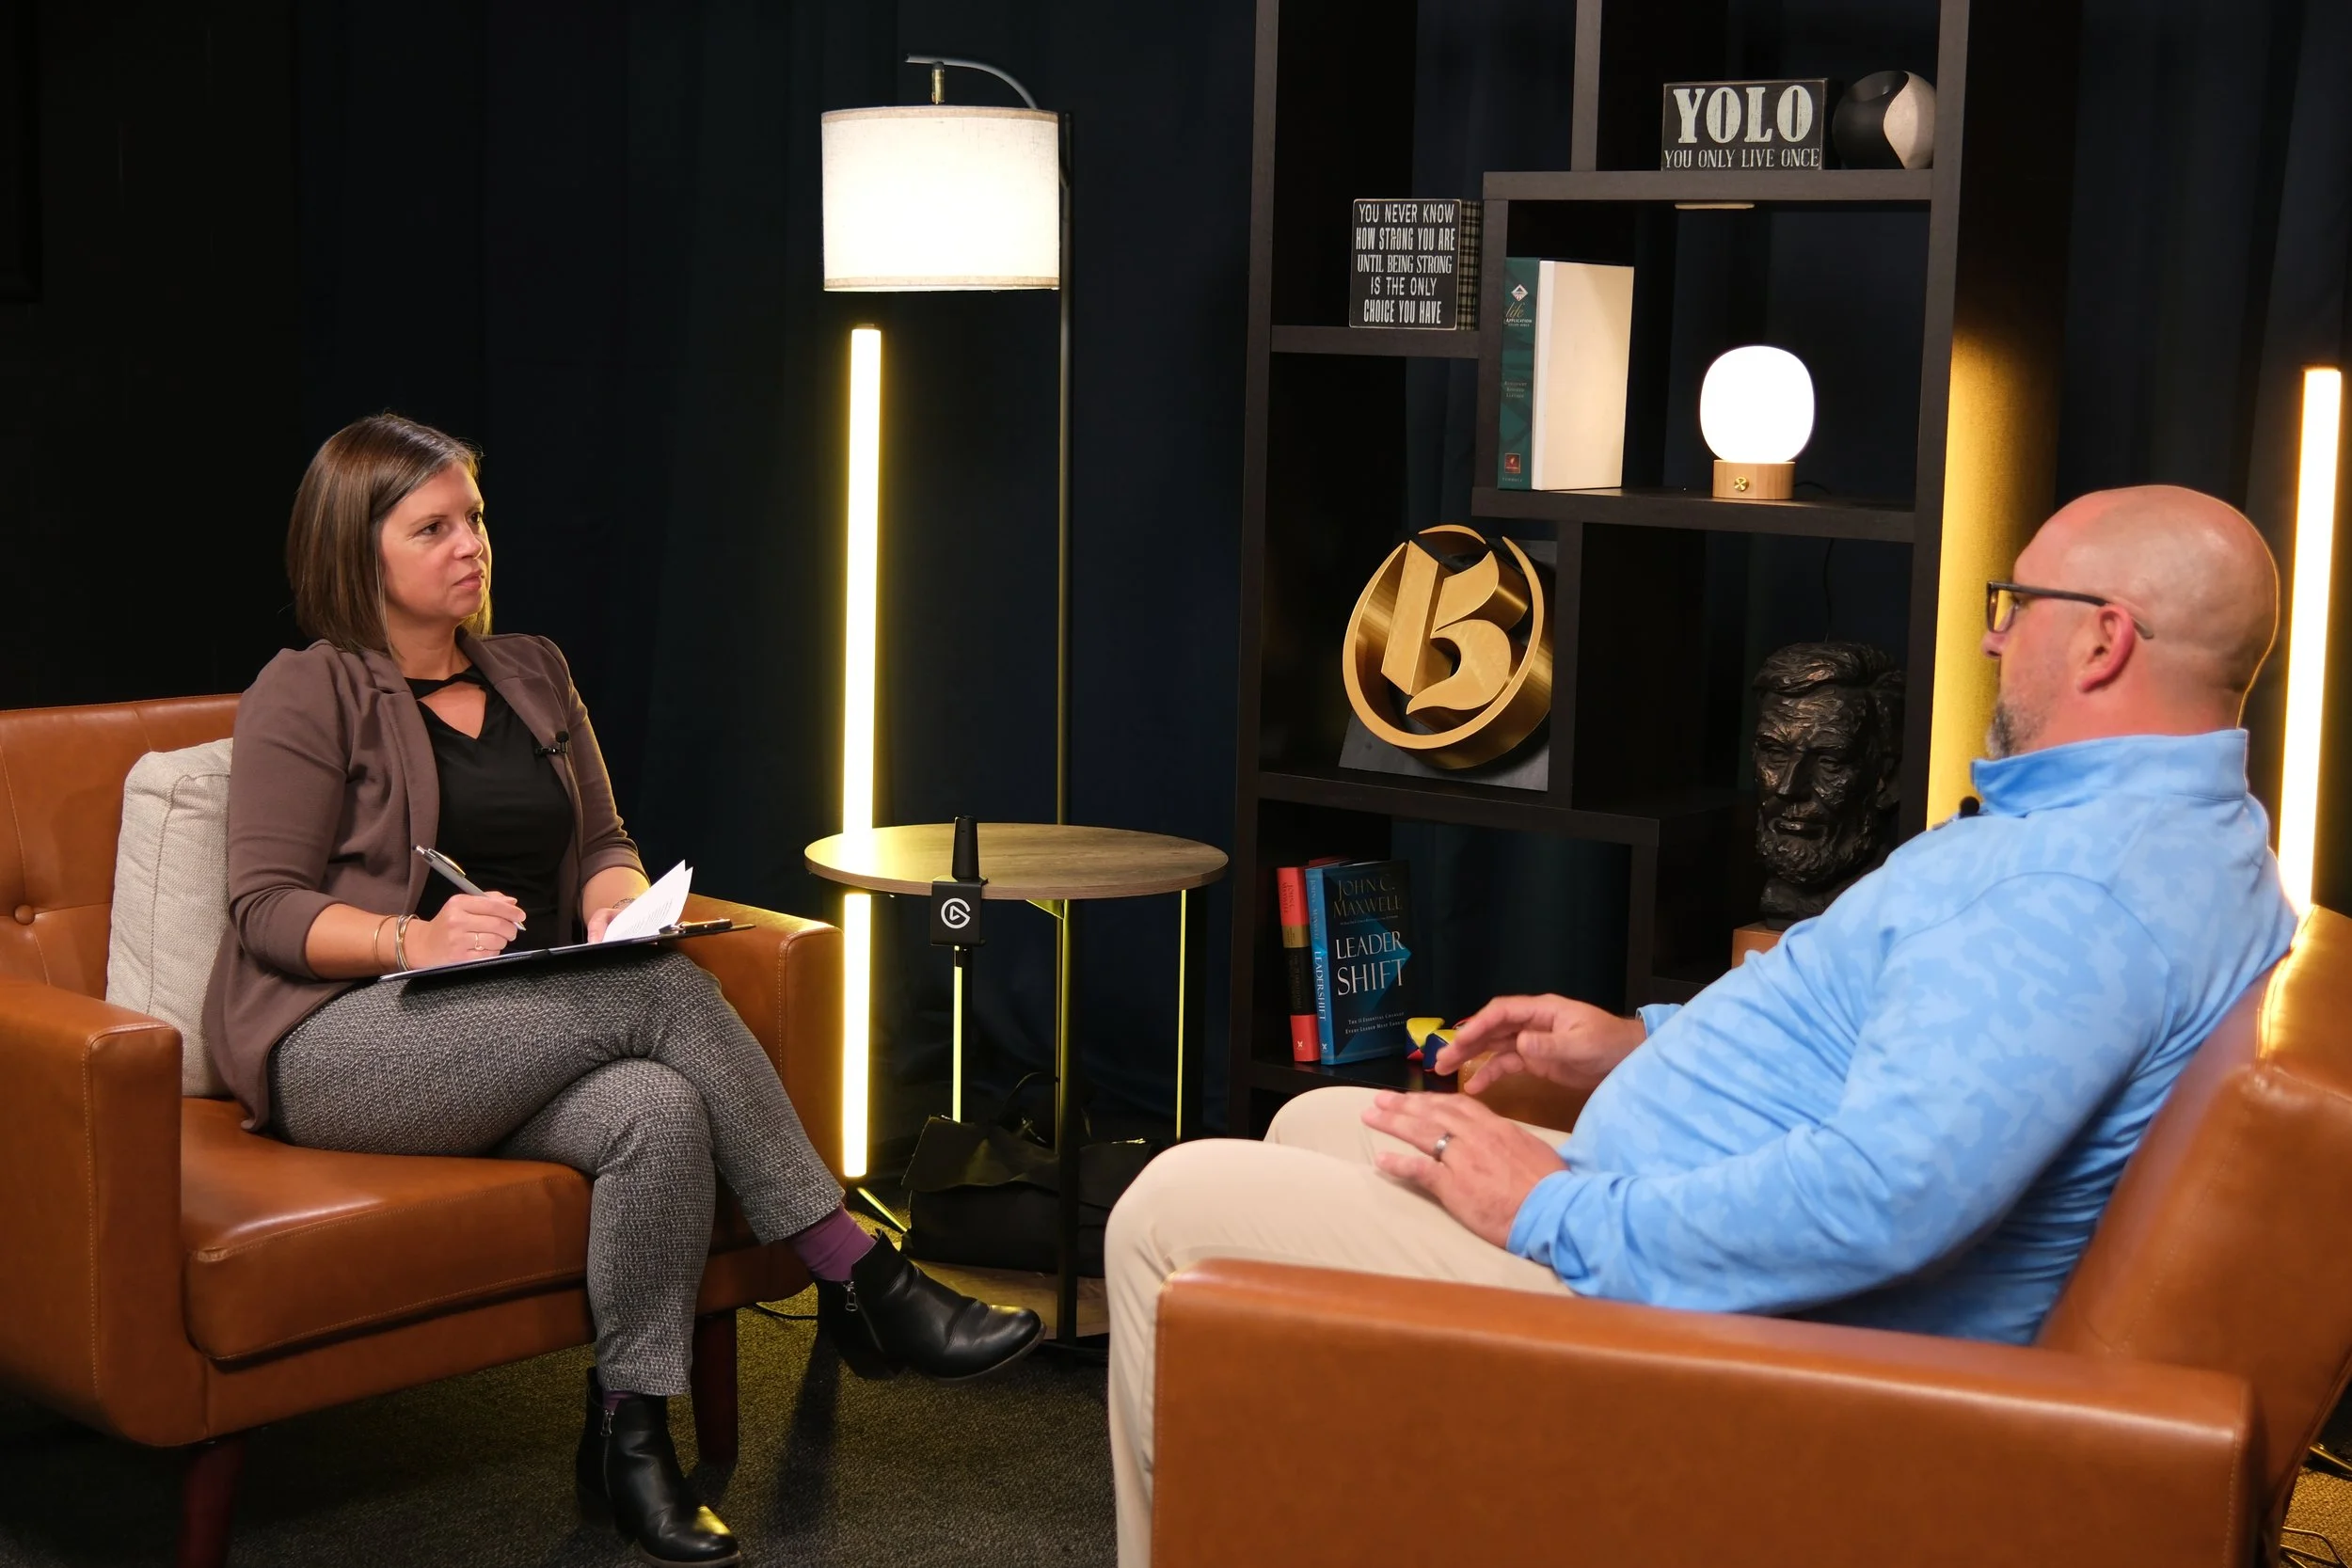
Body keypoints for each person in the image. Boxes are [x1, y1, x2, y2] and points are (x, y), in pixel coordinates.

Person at [1104, 483, 2300, 1566]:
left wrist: (1544, 1206)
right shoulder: (2175, 836)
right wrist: (1639, 1046)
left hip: (1734, 1332)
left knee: (1175, 1208)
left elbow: (1881, 1198)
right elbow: (1897, 1049)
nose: (1992, 633)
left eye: (2016, 602)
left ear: (2103, 635)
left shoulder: (2075, 895)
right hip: (1698, 1235)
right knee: (1326, 1119)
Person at [202, 413, 1042, 1568]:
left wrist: (615, 900)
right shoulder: (306, 691)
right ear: (360, 550)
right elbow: (265, 906)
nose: (471, 546)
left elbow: (603, 837)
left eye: (477, 519)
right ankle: (860, 1272)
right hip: (342, 1043)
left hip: (524, 1022)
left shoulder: (532, 671)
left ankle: (627, 1436)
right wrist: (414, 936)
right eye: (433, 526)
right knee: (663, 997)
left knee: (659, 1106)